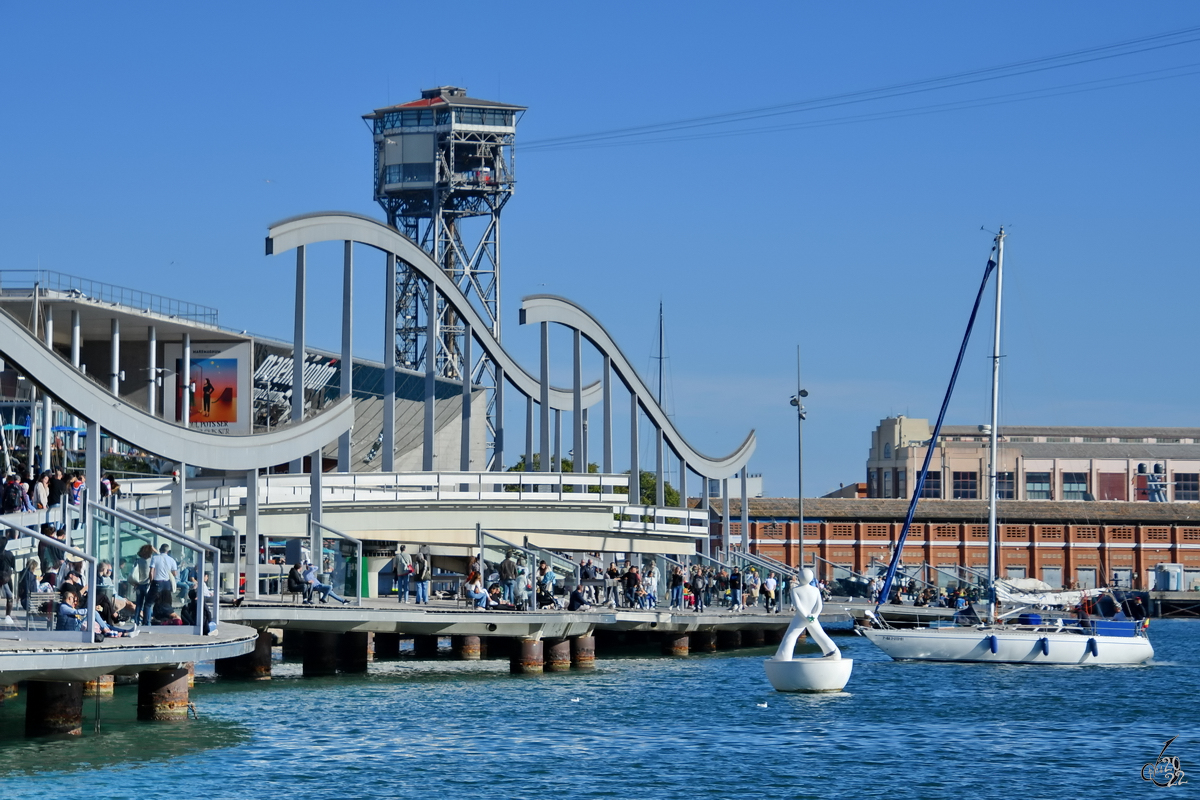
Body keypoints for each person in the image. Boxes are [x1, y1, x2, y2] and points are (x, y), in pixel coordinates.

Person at [147, 543, 178, 622]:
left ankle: (147, 622)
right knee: (165, 602)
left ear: (160, 550)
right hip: (167, 584)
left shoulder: (155, 558)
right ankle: (165, 619)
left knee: (148, 603)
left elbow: (151, 572)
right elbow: (174, 573)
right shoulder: (171, 560)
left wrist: (151, 581)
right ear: (167, 551)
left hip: (157, 582)